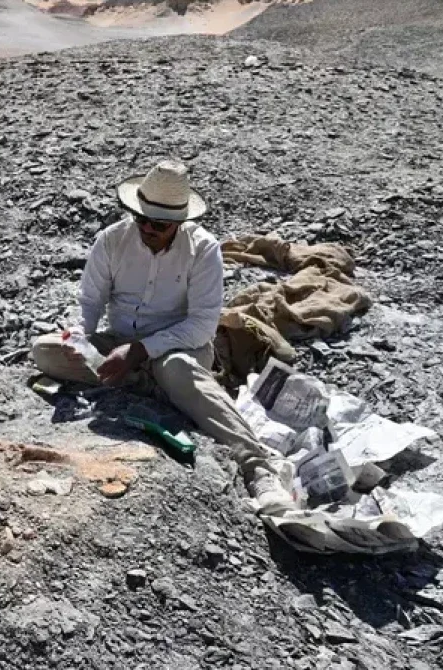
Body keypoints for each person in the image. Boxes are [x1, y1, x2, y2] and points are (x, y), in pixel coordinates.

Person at [30, 159, 294, 513]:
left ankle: (258, 469)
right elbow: (90, 302)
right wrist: (79, 337)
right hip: (121, 341)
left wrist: (140, 351)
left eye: (158, 224)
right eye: (141, 218)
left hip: (177, 349)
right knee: (45, 351)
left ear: (179, 223)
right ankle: (156, 387)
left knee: (177, 370)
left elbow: (201, 325)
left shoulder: (203, 250)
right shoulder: (111, 240)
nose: (147, 229)